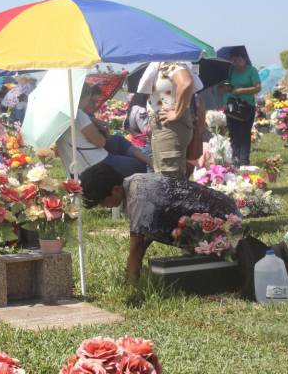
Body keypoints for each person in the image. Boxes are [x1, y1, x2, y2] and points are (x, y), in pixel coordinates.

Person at [80, 162, 239, 281]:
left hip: (225, 222)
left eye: (102, 201)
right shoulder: (135, 182)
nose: (103, 206)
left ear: (115, 190)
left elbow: (137, 245)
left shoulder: (137, 196)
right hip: (223, 212)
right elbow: (145, 234)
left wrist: (131, 280)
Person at [58, 86, 150, 179]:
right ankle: (150, 163)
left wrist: (93, 121)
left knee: (118, 141)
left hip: (74, 169)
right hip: (96, 164)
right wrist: (102, 131)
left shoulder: (59, 118)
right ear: (81, 98)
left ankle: (150, 161)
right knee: (139, 166)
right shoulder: (78, 114)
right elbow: (100, 142)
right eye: (88, 100)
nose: (91, 104)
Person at [136, 62, 196, 179]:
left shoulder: (172, 64)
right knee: (163, 174)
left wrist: (177, 113)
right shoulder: (161, 65)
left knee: (170, 177)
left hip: (170, 126)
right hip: (164, 126)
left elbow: (186, 83)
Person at [222, 50, 261, 166]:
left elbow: (257, 87)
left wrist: (241, 90)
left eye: (238, 59)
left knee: (244, 133)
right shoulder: (230, 71)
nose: (236, 62)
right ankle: (235, 159)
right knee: (233, 133)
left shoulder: (251, 70)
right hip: (232, 106)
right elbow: (226, 84)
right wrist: (226, 88)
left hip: (246, 106)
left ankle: (244, 160)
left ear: (244, 59)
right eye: (233, 60)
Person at [123, 93, 152, 170]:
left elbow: (125, 126)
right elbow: (147, 130)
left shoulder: (131, 108)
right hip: (145, 146)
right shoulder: (141, 110)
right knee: (149, 168)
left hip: (134, 144)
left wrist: (134, 133)